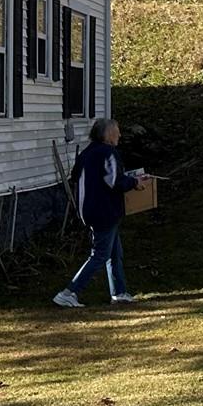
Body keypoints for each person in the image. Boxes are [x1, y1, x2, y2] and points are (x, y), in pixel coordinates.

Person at [54, 117, 143, 308]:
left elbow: (75, 175)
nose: (119, 134)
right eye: (117, 130)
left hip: (89, 210)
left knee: (114, 253)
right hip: (105, 211)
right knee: (100, 254)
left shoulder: (87, 153)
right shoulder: (108, 153)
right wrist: (134, 182)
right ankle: (69, 292)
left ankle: (119, 293)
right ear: (108, 134)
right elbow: (115, 182)